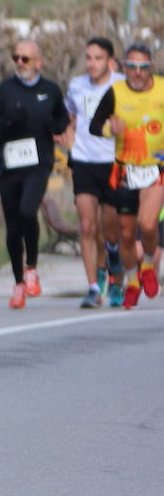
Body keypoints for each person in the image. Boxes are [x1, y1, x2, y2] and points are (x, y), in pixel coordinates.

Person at [0, 40, 70, 309]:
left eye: (26, 59)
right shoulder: (5, 90)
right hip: (8, 165)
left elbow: (62, 119)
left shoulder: (50, 90)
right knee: (13, 226)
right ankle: (18, 283)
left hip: (39, 162)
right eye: (16, 57)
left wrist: (55, 126)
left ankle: (32, 268)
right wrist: (6, 122)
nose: (19, 62)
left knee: (28, 211)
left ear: (39, 62)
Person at [88, 42, 164, 310]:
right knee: (127, 234)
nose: (137, 72)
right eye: (132, 66)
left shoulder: (162, 89)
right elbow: (94, 125)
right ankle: (132, 281)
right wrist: (111, 129)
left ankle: (148, 266)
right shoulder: (115, 92)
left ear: (150, 68)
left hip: (155, 168)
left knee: (149, 224)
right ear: (124, 67)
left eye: (143, 67)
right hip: (124, 171)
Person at [63, 37, 124, 307]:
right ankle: (92, 287)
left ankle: (113, 277)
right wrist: (65, 133)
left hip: (113, 163)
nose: (91, 63)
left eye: (97, 58)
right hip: (83, 161)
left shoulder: (122, 85)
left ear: (109, 61)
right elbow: (69, 116)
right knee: (88, 226)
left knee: (111, 233)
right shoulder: (76, 86)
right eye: (88, 57)